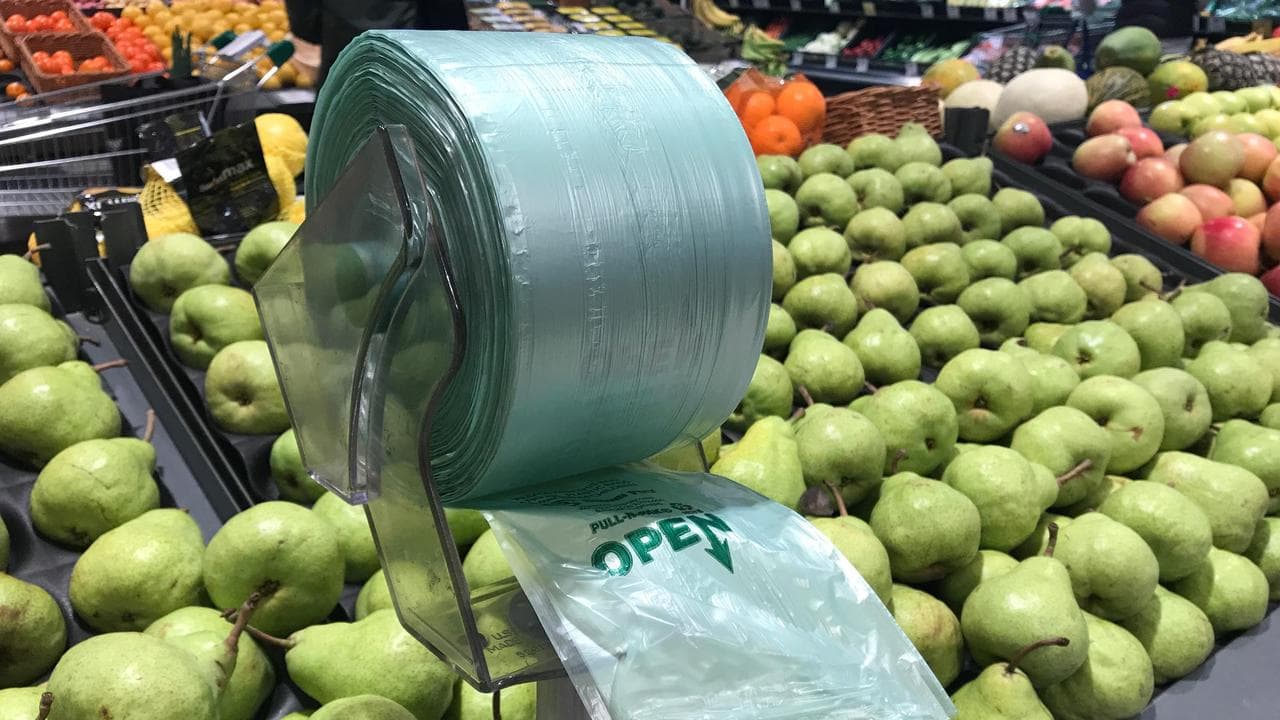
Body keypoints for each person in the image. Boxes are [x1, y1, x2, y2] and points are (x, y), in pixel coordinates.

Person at [284, 0, 469, 86]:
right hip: (411, 63)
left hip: (343, 57)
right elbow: (448, 20)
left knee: (341, 140)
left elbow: (304, 24)